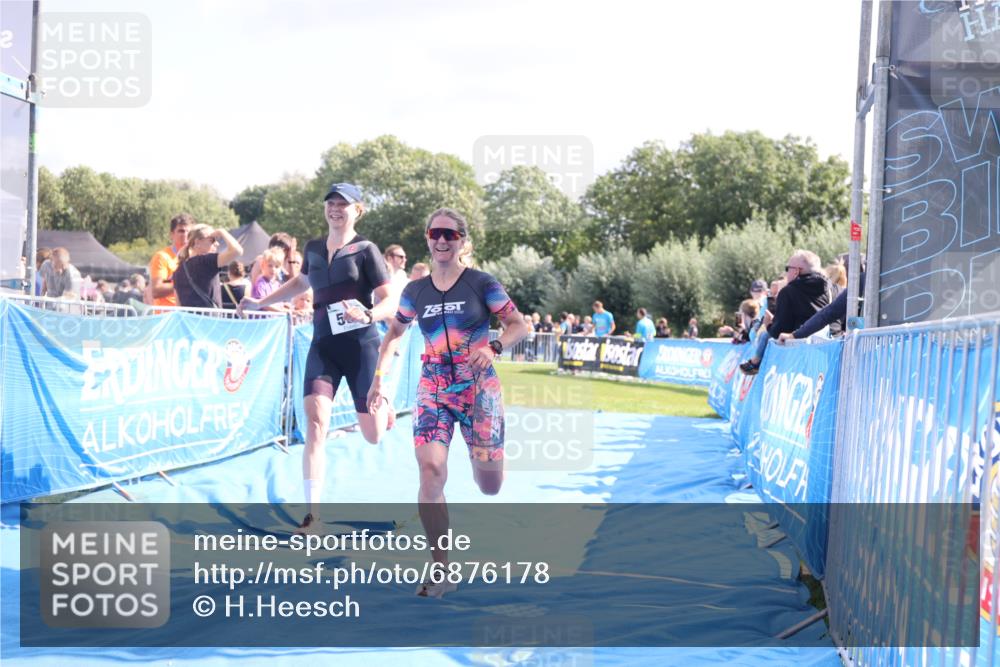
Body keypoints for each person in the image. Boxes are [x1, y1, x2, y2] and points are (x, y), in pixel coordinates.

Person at [366, 206, 530, 599]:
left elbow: (519, 325)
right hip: (434, 388)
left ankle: (486, 465)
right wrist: (378, 380)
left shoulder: (481, 283)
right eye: (435, 233)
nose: (441, 240)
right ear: (427, 238)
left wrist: (494, 346)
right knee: (430, 469)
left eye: (450, 235)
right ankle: (442, 568)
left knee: (489, 484)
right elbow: (394, 335)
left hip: (478, 389)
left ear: (461, 241)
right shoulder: (415, 292)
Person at [238, 182, 398, 533]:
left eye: (344, 203)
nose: (336, 208)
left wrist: (370, 315)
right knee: (315, 423)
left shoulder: (366, 250)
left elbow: (390, 300)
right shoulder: (311, 248)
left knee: (372, 435)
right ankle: (313, 513)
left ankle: (383, 408)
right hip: (323, 345)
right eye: (331, 202)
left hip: (361, 347)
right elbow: (300, 285)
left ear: (358, 210)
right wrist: (259, 302)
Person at [740, 249, 831, 375]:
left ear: (796, 271)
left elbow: (779, 331)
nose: (786, 272)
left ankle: (755, 363)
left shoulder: (788, 292)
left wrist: (768, 324)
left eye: (788, 268)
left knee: (765, 335)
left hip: (795, 357)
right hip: (821, 352)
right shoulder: (826, 290)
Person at [173, 225, 243, 308]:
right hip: (209, 319)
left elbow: (178, 306)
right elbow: (237, 251)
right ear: (197, 242)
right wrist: (222, 231)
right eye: (212, 240)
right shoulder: (206, 261)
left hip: (188, 320)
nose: (217, 244)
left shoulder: (178, 271)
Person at [149, 213, 193, 307]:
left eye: (188, 232)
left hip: (188, 315)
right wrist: (185, 284)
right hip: (167, 316)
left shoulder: (194, 257)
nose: (185, 235)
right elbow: (156, 290)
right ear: (172, 234)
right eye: (181, 231)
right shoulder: (162, 257)